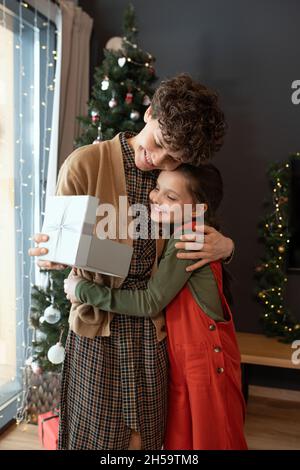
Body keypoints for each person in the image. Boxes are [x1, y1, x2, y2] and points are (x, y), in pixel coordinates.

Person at [28, 74, 234, 450]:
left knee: (148, 440)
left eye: (175, 157)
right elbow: (56, 250)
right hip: (97, 331)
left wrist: (226, 245)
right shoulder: (85, 165)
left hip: (152, 334)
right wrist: (51, 257)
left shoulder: (171, 177)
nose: (158, 160)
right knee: (97, 441)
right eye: (158, 144)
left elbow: (197, 226)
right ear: (149, 112)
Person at [64, 163, 247, 450]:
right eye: (158, 188)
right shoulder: (174, 232)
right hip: (190, 361)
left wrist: (83, 290)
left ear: (198, 209)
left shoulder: (189, 238)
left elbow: (150, 301)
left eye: (171, 197)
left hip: (204, 365)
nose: (156, 198)